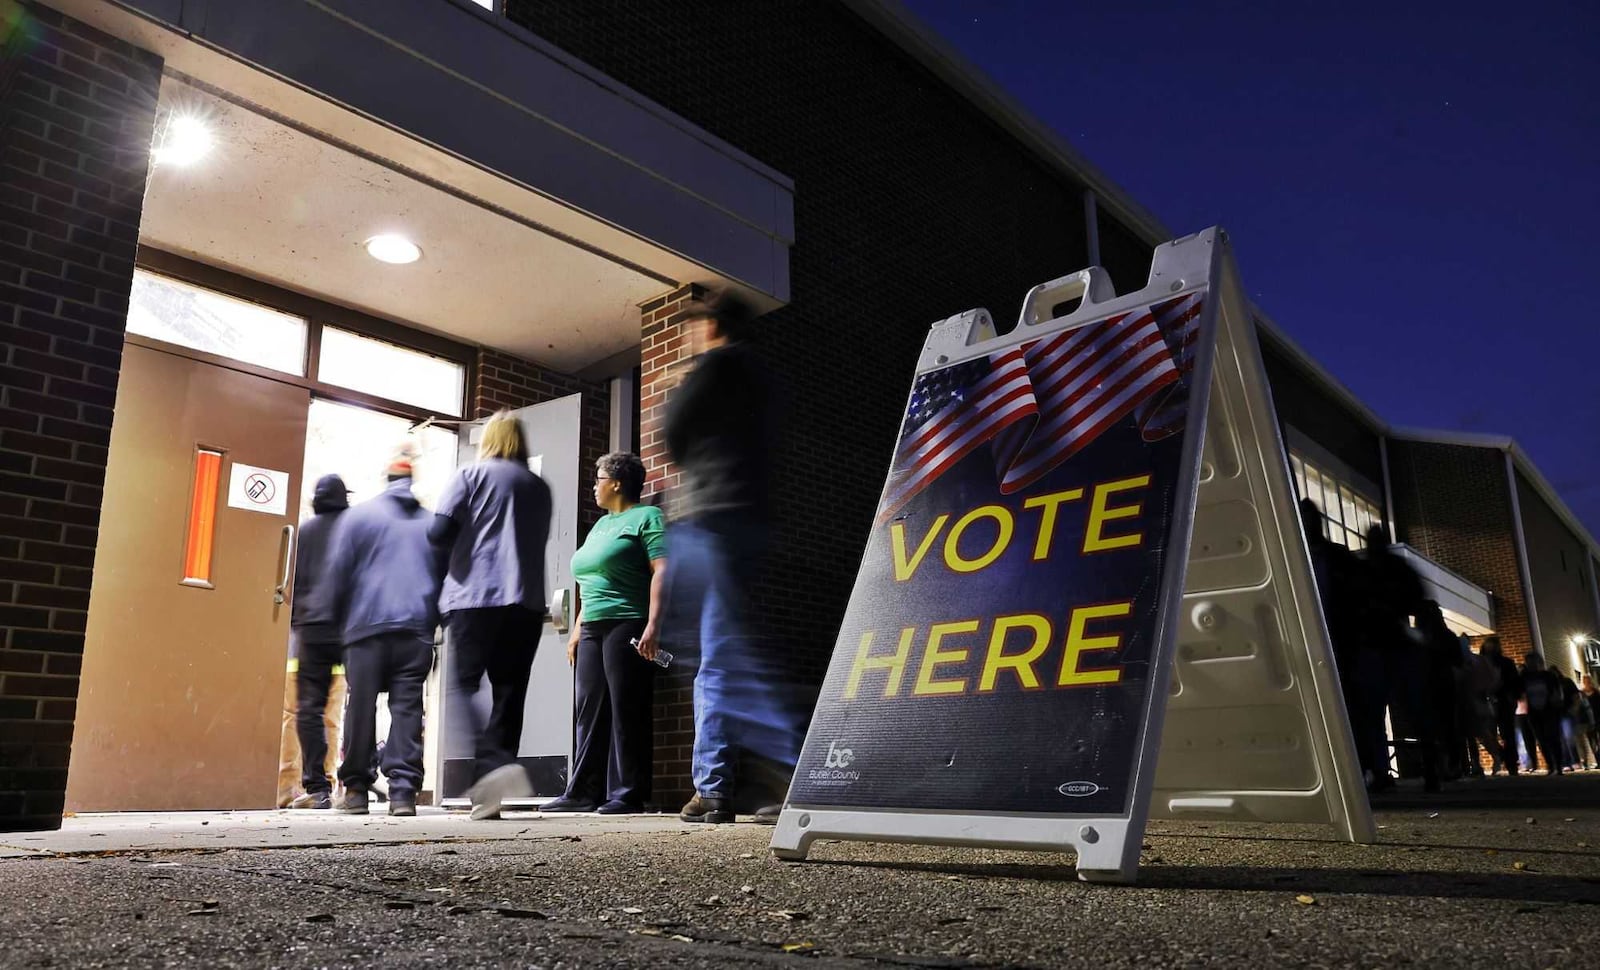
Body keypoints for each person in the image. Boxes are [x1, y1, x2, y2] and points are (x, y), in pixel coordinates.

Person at [663, 289, 803, 823]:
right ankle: (714, 786)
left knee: (716, 659)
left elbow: (673, 434)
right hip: (748, 522)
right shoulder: (763, 381)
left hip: (710, 521)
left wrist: (677, 386)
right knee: (714, 658)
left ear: (711, 326)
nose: (689, 334)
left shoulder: (714, 368)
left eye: (694, 325)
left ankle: (790, 770)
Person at [430, 411, 553, 820]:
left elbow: (438, 533)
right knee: (510, 692)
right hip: (526, 602)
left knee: (462, 686)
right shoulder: (538, 486)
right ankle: (493, 787)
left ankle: (491, 767)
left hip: (474, 597)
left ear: (489, 439)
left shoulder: (470, 475)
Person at [543, 452, 667, 814]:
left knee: (626, 709)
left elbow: (662, 571)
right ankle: (583, 791)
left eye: (597, 479)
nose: (594, 487)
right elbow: (590, 581)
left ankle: (628, 793)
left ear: (616, 482)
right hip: (594, 626)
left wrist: (653, 626)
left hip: (628, 621)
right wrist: (577, 630)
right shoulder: (600, 526)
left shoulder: (647, 517)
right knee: (589, 709)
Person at [325, 446, 442, 816]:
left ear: (387, 480)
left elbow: (338, 575)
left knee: (360, 704)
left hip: (366, 630)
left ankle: (357, 790)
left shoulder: (357, 518)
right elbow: (444, 577)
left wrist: (337, 627)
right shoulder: (430, 522)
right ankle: (403, 793)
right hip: (415, 629)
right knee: (407, 707)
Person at [284, 474, 353, 810]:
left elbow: (294, 581)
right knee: (360, 704)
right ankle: (355, 785)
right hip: (350, 628)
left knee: (308, 708)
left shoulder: (306, 531)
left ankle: (317, 787)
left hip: (312, 628)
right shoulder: (355, 527)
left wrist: (297, 619)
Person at [1480, 637, 1522, 775]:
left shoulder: (1506, 663)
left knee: (1507, 733)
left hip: (1504, 701)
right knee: (1486, 733)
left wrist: (1513, 698)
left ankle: (1511, 763)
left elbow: (1514, 682)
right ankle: (1502, 755)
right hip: (1487, 700)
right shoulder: (1480, 663)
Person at [1521, 654, 1565, 775]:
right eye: (1529, 662)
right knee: (1541, 739)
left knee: (1553, 737)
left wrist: (1556, 702)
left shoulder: (1548, 676)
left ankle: (1558, 765)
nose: (1531, 665)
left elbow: (1556, 691)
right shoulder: (1525, 677)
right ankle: (1551, 765)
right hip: (1534, 712)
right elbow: (1519, 690)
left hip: (1549, 710)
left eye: (1533, 662)